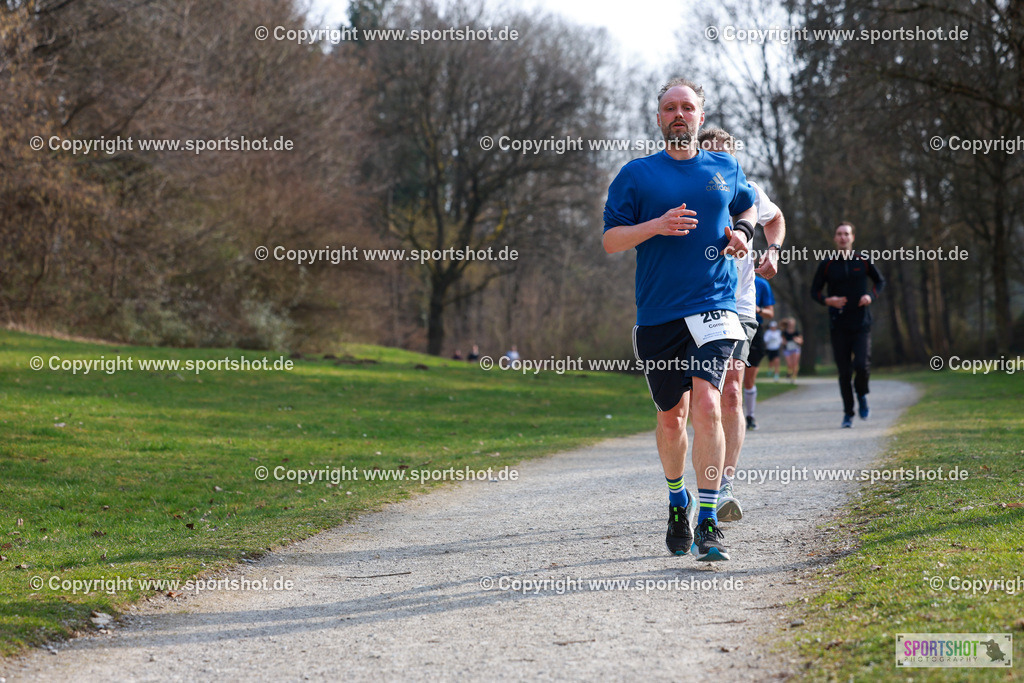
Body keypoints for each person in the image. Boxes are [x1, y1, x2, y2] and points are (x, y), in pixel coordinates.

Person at [603, 77, 759, 562]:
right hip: (659, 314)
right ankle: (678, 501)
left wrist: (745, 233)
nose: (678, 115)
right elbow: (610, 240)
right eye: (670, 108)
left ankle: (708, 519)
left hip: (715, 306)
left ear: (700, 117)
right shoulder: (636, 175)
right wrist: (656, 226)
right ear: (658, 119)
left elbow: (748, 203)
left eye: (687, 107)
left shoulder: (725, 167)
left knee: (709, 405)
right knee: (672, 419)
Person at [696, 128, 784, 523]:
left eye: (723, 155)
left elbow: (775, 218)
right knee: (698, 401)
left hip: (740, 307)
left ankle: (724, 485)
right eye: (709, 154)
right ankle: (696, 480)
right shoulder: (690, 191)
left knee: (731, 392)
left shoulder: (750, 191)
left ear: (734, 159)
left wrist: (774, 251)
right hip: (696, 304)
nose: (716, 161)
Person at [810, 222, 885, 428]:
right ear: (835, 238)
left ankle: (862, 394)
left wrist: (870, 296)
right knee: (844, 372)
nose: (843, 237)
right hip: (838, 325)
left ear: (852, 237)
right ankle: (848, 413)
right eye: (839, 234)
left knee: (861, 365)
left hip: (861, 323)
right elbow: (814, 291)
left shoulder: (863, 260)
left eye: (846, 234)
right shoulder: (827, 264)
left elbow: (880, 282)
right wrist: (828, 300)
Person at [743, 274, 776, 431]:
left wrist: (758, 309)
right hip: (729, 329)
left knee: (748, 380)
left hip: (754, 331)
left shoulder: (761, 284)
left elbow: (770, 313)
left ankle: (750, 416)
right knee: (730, 382)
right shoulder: (725, 274)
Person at [781, 318, 803, 382]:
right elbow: (782, 340)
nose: (791, 324)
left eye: (792, 323)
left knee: (795, 363)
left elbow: (801, 341)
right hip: (787, 349)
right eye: (790, 323)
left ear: (794, 324)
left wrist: (797, 340)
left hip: (795, 348)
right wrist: (784, 342)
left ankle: (794, 377)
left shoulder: (797, 332)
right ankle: (789, 372)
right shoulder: (784, 332)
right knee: (789, 364)